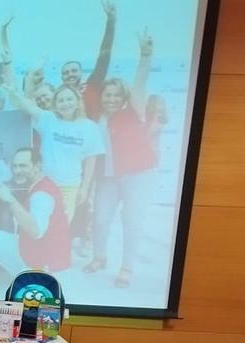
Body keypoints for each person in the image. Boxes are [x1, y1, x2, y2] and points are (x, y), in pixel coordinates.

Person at [85, 30, 158, 288]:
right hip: (107, 177)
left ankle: (126, 267)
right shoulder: (96, 118)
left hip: (137, 175)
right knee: (101, 218)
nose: (112, 98)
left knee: (132, 220)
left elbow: (139, 83)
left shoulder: (134, 111)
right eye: (108, 94)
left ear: (124, 98)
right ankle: (100, 257)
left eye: (117, 95)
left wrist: (145, 56)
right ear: (102, 97)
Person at [5, 81, 105, 221]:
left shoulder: (90, 127)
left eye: (69, 99)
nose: (65, 103)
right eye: (61, 100)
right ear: (55, 105)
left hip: (70, 187)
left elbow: (90, 160)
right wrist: (12, 91)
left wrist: (85, 188)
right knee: (39, 226)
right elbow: (25, 105)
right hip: (44, 183)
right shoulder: (48, 119)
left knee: (61, 227)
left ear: (77, 101)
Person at [0, 147, 71, 274]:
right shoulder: (44, 182)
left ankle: (27, 273)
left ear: (37, 166)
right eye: (15, 166)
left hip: (44, 262)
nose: (17, 171)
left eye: (23, 166)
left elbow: (35, 232)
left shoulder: (41, 194)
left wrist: (10, 200)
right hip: (51, 254)